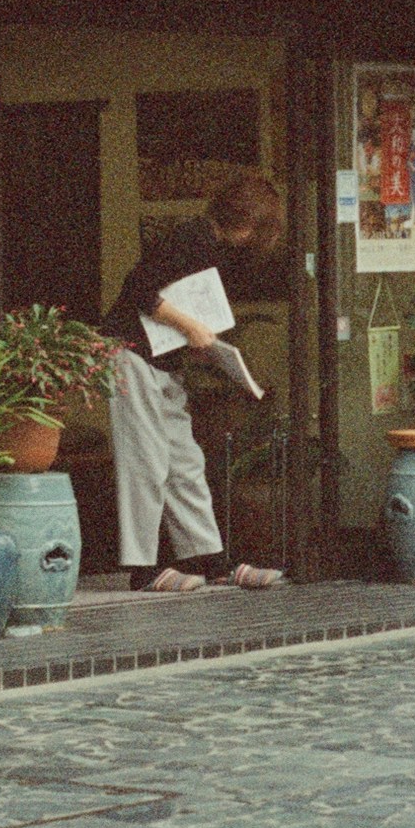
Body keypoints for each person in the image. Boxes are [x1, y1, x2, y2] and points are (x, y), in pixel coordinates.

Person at [101, 167, 286, 593]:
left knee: (185, 461)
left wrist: (196, 336)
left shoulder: (208, 243)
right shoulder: (192, 238)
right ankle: (143, 569)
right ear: (246, 222)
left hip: (162, 361)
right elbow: (139, 290)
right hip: (131, 354)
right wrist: (191, 327)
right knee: (145, 461)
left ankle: (208, 558)